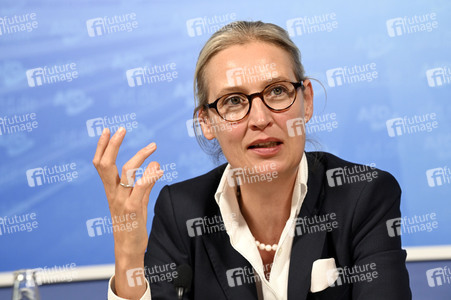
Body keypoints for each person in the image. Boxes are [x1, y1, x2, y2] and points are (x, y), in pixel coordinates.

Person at [93, 21, 412, 300]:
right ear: (206, 122)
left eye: (276, 91)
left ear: (307, 100)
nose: (260, 118)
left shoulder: (364, 194)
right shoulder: (180, 210)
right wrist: (128, 253)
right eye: (233, 101)